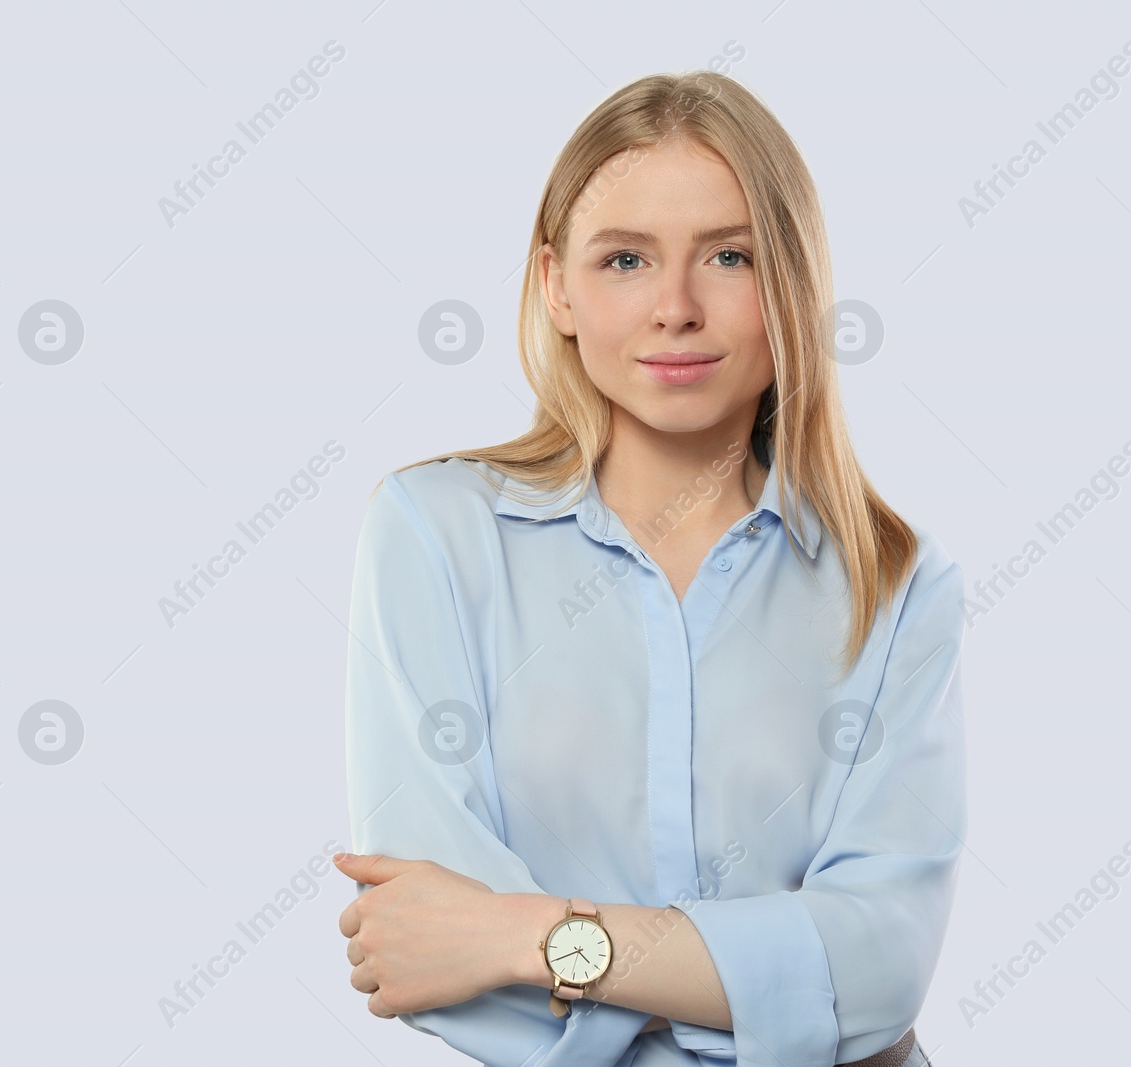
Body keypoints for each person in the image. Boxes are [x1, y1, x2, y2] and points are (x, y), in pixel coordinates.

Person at [335, 69, 963, 1067]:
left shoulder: (897, 582)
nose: (675, 307)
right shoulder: (433, 532)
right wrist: (770, 988)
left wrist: (523, 935)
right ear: (556, 287)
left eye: (728, 255)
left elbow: (880, 968)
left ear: (791, 284)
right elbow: (419, 947)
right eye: (624, 259)